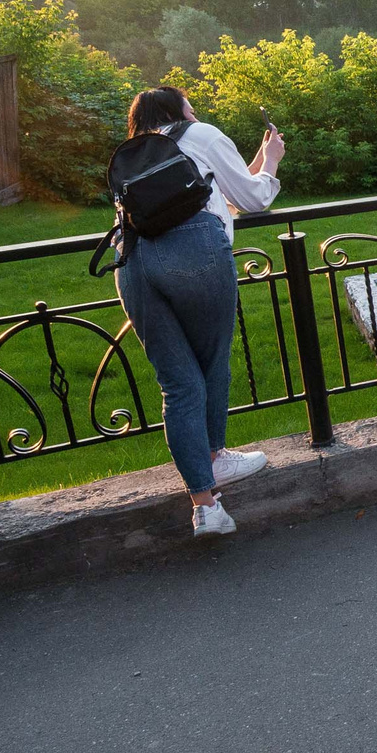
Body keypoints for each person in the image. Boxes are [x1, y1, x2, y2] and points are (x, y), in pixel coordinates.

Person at [111, 87, 283, 535]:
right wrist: (274, 161)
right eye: (190, 105)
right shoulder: (199, 133)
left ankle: (206, 506)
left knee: (178, 384)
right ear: (179, 110)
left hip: (130, 262)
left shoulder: (135, 152)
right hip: (193, 252)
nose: (195, 111)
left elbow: (213, 194)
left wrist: (255, 162)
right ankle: (215, 458)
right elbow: (252, 199)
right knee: (211, 362)